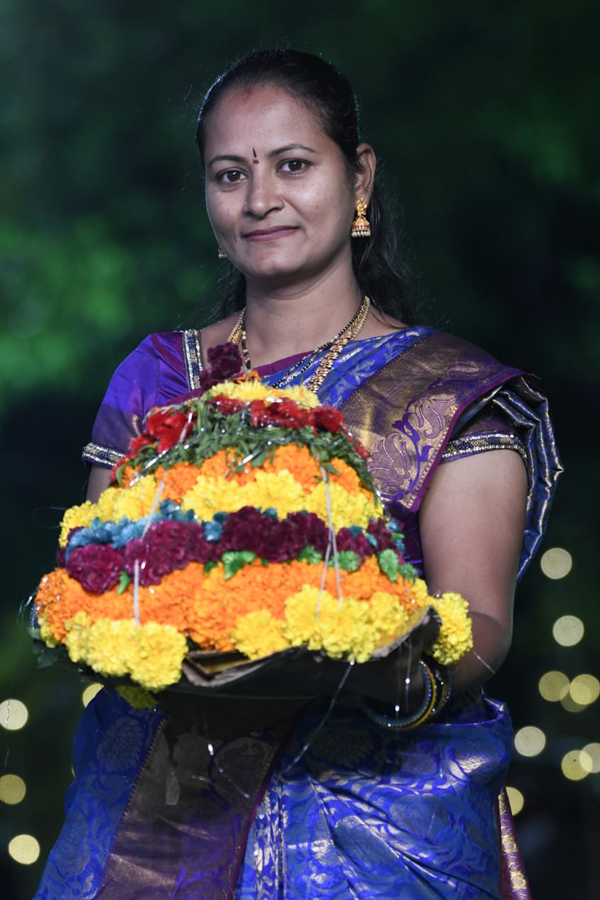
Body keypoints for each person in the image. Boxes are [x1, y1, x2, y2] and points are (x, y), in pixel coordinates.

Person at [34, 50, 561, 899]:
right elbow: (99, 577)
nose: (260, 199)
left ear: (359, 178)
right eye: (229, 174)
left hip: (370, 830)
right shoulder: (157, 377)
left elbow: (481, 621)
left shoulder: (447, 393)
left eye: (292, 165)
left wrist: (385, 668)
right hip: (154, 818)